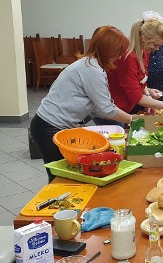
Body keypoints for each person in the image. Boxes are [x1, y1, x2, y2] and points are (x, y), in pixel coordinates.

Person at [30, 26, 134, 182]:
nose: (118, 57)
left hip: (54, 125)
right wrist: (134, 120)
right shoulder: (92, 69)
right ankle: (58, 206)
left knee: (65, 175)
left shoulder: (90, 64)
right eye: (117, 52)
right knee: (60, 178)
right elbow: (106, 109)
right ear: (107, 49)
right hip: (49, 127)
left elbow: (98, 108)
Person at [94, 16, 163, 126]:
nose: (157, 48)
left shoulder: (144, 52)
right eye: (155, 44)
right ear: (144, 38)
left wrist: (148, 95)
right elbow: (135, 96)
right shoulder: (128, 58)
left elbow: (141, 80)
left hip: (123, 107)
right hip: (113, 111)